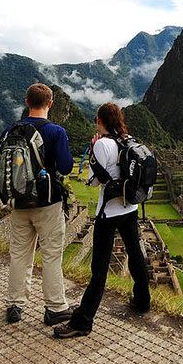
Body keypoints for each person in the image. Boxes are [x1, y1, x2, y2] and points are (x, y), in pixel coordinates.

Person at [54, 102, 150, 338]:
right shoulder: (128, 141)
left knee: (99, 268)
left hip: (108, 213)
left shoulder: (102, 145)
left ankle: (83, 321)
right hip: (130, 207)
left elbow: (94, 182)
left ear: (100, 121)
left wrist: (94, 152)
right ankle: (142, 301)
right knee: (135, 254)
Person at [0, 83, 75, 325]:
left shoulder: (9, 131)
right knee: (51, 255)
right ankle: (55, 307)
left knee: (19, 255)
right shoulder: (55, 132)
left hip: (18, 204)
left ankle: (15, 304)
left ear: (27, 103)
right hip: (48, 203)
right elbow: (67, 167)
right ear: (50, 104)